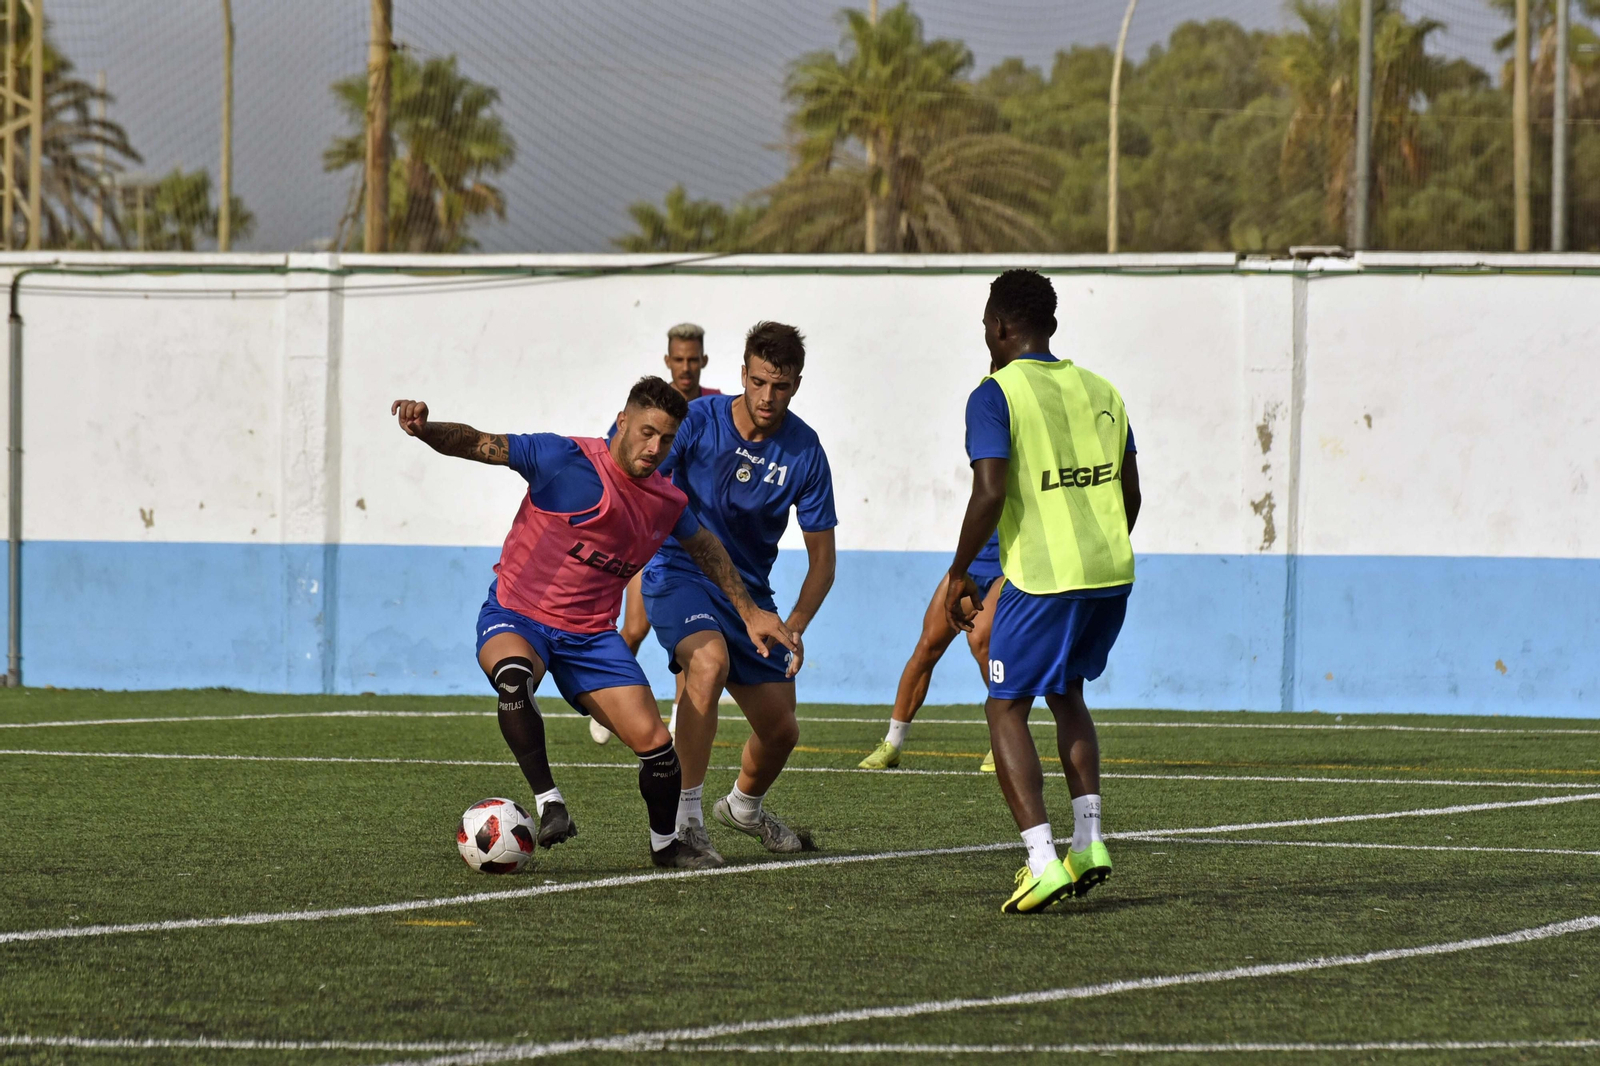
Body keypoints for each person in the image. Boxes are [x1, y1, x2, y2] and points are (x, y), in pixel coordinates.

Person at [390, 377, 797, 870]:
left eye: (667, 439)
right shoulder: (562, 458)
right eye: (647, 432)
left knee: (657, 747)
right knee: (514, 678)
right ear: (622, 421)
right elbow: (477, 443)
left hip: (590, 638)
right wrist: (426, 428)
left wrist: (751, 612)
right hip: (518, 614)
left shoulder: (667, 502)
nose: (656, 448)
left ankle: (666, 846)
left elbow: (706, 548)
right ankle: (550, 803)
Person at [945, 269, 1140, 914]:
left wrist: (958, 572)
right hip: (1110, 573)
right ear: (1050, 325)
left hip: (1042, 579)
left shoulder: (994, 393)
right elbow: (1130, 493)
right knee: (1067, 694)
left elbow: (990, 490)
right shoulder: (1103, 389)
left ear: (1000, 326)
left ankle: (1040, 861)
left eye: (986, 324)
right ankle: (1088, 842)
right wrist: (1096, 547)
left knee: (1005, 708)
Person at [643, 321, 836, 866]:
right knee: (708, 664)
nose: (767, 396)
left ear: (796, 384)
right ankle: (686, 821)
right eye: (758, 382)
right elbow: (646, 482)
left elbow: (823, 563)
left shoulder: (805, 451)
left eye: (781, 385)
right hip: (680, 573)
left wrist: (793, 625)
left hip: (751, 598)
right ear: (742, 374)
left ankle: (743, 808)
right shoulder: (698, 421)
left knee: (781, 731)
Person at [602, 323, 724, 745]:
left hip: (693, 541)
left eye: (693, 359)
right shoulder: (647, 409)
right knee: (635, 628)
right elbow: (615, 461)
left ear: (703, 360)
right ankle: (609, 698)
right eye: (679, 359)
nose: (686, 367)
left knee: (694, 642)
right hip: (648, 537)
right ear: (668, 360)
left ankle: (678, 722)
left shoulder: (716, 408)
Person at [857, 533, 1005, 771]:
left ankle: (1003, 740)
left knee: (980, 639)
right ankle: (892, 743)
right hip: (969, 565)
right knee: (927, 646)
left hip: (1009, 567)